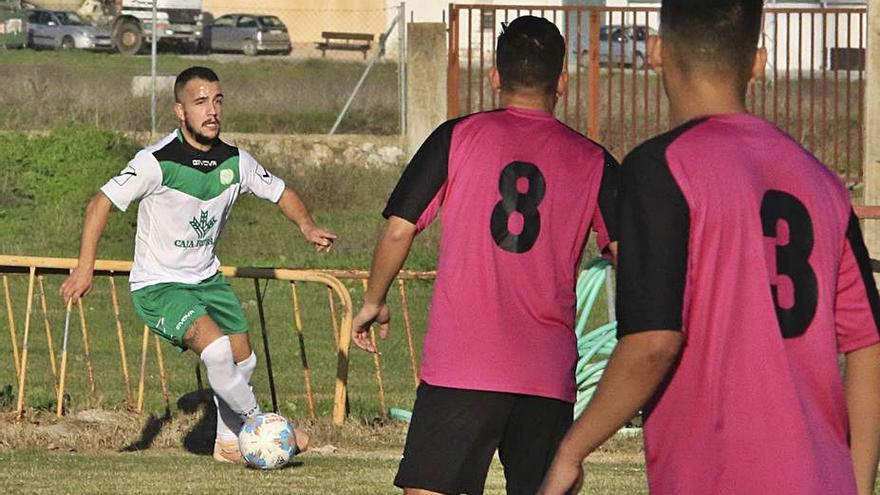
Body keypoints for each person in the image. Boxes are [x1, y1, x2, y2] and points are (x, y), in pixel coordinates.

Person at [539, 1, 880, 494]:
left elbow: (653, 342)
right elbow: (866, 345)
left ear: (655, 51)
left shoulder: (661, 168)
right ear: (759, 62)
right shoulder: (823, 182)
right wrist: (857, 480)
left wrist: (572, 450)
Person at [352, 16, 619, 495]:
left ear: (495, 76)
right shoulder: (594, 160)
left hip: (462, 362)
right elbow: (631, 256)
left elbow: (398, 230)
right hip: (545, 369)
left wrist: (374, 298)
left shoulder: (455, 138)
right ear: (562, 81)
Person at [59, 66, 335, 464]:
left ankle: (226, 444)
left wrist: (307, 226)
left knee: (245, 359)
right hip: (159, 286)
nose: (212, 110)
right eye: (200, 101)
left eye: (217, 100)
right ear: (179, 110)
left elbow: (280, 192)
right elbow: (99, 203)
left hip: (207, 278)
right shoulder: (156, 161)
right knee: (219, 350)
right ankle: (267, 426)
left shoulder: (236, 162)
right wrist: (85, 268)